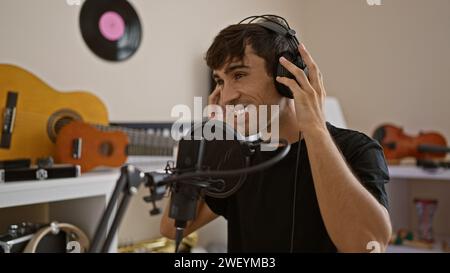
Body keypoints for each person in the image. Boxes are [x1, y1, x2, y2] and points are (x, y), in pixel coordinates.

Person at [160, 15, 392, 253]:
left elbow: (366, 246)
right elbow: (172, 226)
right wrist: (211, 143)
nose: (227, 96)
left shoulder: (358, 148)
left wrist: (315, 129)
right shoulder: (240, 161)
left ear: (286, 76)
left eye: (239, 75)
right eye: (220, 81)